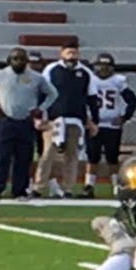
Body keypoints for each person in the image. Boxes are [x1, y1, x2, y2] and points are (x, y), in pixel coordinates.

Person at [0, 47, 53, 201]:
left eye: (22, 59)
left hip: (25, 121)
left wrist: (40, 109)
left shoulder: (36, 77)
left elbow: (52, 93)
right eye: (15, 59)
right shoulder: (0, 75)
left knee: (24, 158)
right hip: (5, 120)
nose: (19, 62)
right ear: (9, 60)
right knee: (1, 157)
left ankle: (20, 191)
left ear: (27, 61)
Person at [36, 45, 92, 199]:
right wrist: (40, 116)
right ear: (62, 53)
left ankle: (68, 188)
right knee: (48, 154)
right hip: (54, 119)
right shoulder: (52, 69)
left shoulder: (86, 72)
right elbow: (43, 92)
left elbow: (91, 97)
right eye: (69, 52)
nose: (72, 55)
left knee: (71, 156)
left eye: (74, 52)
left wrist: (93, 121)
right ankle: (39, 186)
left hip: (75, 120)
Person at [83, 53, 136, 197]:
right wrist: (87, 119)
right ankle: (89, 186)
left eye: (107, 66)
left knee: (112, 157)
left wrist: (124, 117)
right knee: (92, 156)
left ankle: (115, 186)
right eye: (101, 66)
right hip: (95, 124)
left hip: (112, 126)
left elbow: (132, 100)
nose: (103, 69)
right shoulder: (90, 80)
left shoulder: (118, 81)